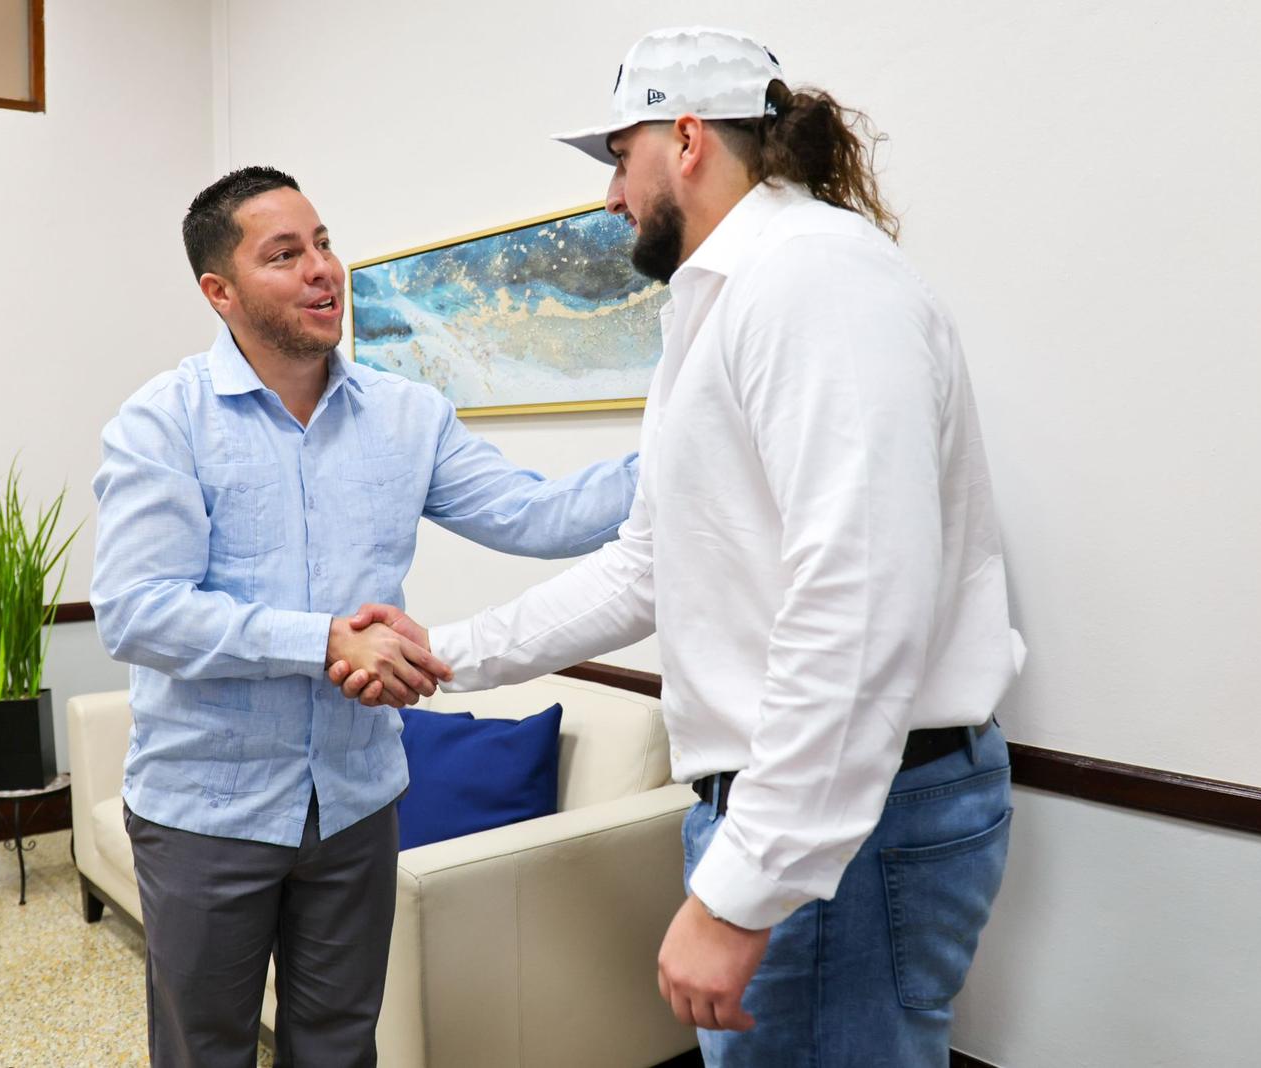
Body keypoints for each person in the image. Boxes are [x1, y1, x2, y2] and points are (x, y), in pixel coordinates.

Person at [333, 27, 1026, 1067]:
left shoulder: (814, 281)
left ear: (688, 138)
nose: (611, 195)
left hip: (850, 819)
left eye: (619, 157)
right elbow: (649, 564)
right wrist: (449, 654)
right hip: (804, 809)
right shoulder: (714, 308)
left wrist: (745, 889)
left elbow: (860, 598)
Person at [89, 165, 640, 1067]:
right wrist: (325, 642)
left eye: (324, 243)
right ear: (218, 292)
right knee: (204, 1052)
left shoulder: (408, 415)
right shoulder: (164, 423)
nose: (322, 269)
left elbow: (536, 515)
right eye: (285, 254)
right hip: (206, 811)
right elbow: (141, 614)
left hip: (355, 801)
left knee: (342, 1047)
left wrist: (696, 446)